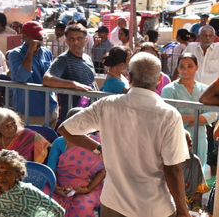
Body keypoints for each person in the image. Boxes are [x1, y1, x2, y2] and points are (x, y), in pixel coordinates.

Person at [58, 52, 191, 217]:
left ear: (130, 77)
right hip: (153, 208)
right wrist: (183, 211)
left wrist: (99, 150)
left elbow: (65, 130)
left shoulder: (107, 105)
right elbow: (173, 170)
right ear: (159, 81)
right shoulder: (169, 115)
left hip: (114, 204)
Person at [162, 52, 218, 171]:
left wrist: (188, 118)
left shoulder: (204, 89)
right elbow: (171, 115)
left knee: (197, 175)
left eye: (190, 66)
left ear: (197, 67)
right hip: (177, 136)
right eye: (181, 66)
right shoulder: (169, 90)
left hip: (200, 139)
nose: (185, 70)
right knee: (177, 172)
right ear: (177, 68)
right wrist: (198, 118)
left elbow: (213, 114)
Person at [47, 107, 105, 217]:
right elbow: (51, 169)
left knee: (83, 207)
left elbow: (102, 171)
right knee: (49, 204)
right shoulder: (59, 143)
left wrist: (86, 189)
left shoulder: (96, 143)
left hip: (90, 185)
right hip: (60, 184)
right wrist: (57, 188)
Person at [0, 149, 65, 217]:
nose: (1, 176)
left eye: (7, 172)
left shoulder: (28, 192)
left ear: (18, 175)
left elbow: (58, 211)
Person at [9, 21, 58, 128]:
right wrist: (30, 51)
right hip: (30, 111)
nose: (40, 41)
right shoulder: (15, 54)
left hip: (50, 107)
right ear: (25, 37)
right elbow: (20, 77)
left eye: (41, 37)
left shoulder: (46, 52)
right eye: (37, 38)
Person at [43, 24, 95, 123]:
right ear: (66, 41)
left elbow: (92, 81)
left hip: (89, 113)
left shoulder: (87, 58)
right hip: (72, 117)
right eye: (72, 39)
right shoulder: (63, 60)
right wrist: (73, 84)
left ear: (86, 40)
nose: (75, 42)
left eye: (79, 38)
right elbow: (47, 79)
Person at [183, 130, 210, 212]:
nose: (190, 145)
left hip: (190, 208)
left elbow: (198, 191)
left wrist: (196, 208)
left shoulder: (194, 161)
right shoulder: (167, 163)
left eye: (190, 142)